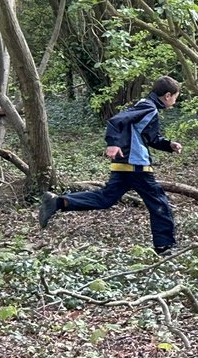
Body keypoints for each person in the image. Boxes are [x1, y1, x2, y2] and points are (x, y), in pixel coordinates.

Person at [39, 76, 184, 257]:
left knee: (106, 198)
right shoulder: (148, 107)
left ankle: (58, 202)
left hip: (125, 164)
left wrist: (169, 145)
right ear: (168, 95)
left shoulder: (146, 107)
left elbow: (151, 138)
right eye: (176, 97)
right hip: (135, 165)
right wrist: (113, 143)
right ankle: (165, 247)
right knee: (159, 203)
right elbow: (117, 120)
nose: (175, 101)